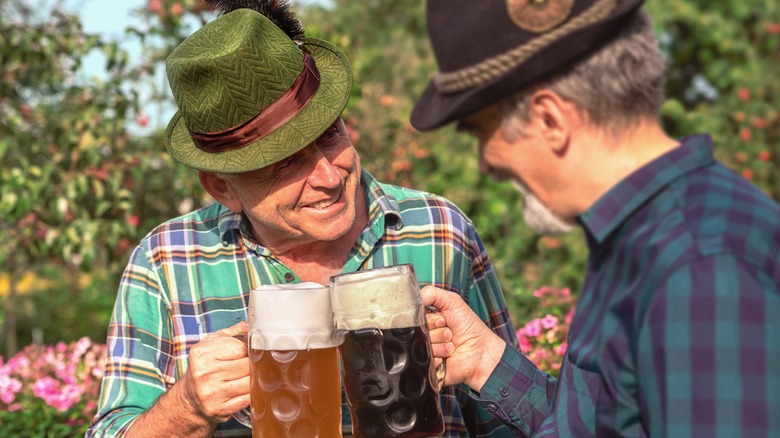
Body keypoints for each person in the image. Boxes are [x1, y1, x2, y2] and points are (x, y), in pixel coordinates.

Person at [86, 3, 519, 438]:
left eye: (330, 134)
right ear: (222, 189)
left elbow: (512, 427)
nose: (329, 177)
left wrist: (487, 370)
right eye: (285, 164)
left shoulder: (440, 230)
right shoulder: (165, 261)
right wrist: (187, 407)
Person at [412, 0, 780, 436]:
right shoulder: (646, 239)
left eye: (481, 133)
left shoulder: (700, 265)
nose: (486, 164)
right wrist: (486, 361)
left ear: (550, 119)